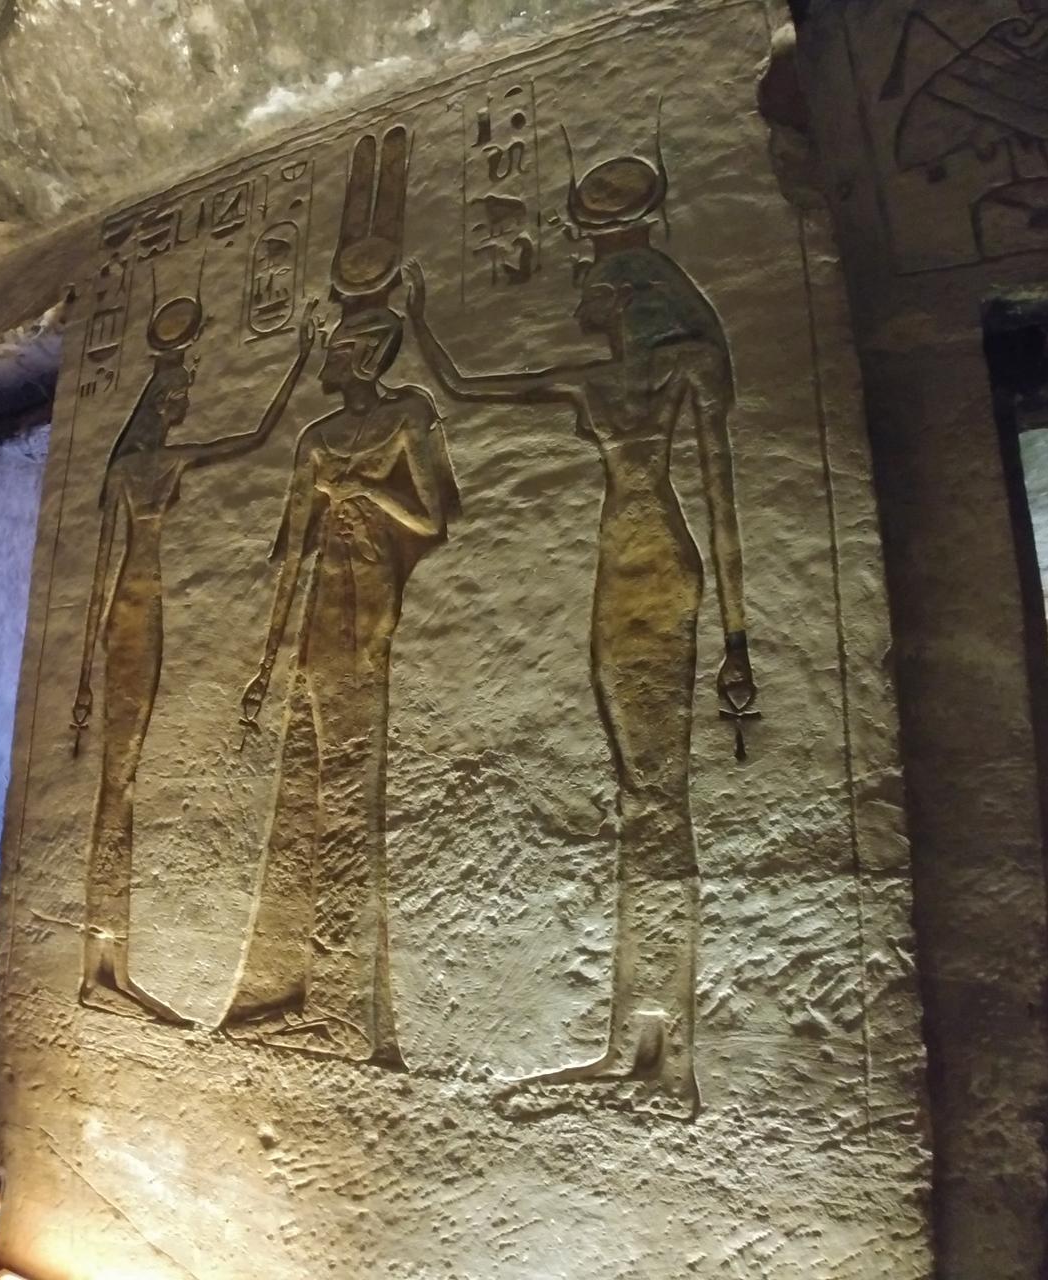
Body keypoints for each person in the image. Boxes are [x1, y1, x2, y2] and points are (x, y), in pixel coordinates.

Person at [401, 160, 755, 1114]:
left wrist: (736, 638)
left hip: (660, 569)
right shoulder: (600, 380)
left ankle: (665, 1060)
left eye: (592, 286)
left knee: (658, 797)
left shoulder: (683, 364)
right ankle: (632, 1045)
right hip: (622, 573)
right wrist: (420, 322)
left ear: (627, 292)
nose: (580, 300)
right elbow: (467, 386)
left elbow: (721, 493)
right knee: (640, 795)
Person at [220, 303, 459, 1066]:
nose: (326, 357)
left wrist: (363, 491)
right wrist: (265, 661)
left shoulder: (408, 415)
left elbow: (433, 519)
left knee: (351, 785)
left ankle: (345, 1008)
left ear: (363, 355)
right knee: (307, 784)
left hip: (372, 599)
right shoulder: (316, 439)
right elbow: (293, 553)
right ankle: (297, 992)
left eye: (336, 348)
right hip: (323, 607)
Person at [72, 300, 317, 1024]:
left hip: (133, 614)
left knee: (120, 783)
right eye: (177, 398)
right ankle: (102, 970)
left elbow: (97, 580)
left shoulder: (131, 465)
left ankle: (107, 968)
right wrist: (299, 364)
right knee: (119, 784)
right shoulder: (151, 464)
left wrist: (84, 669)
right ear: (160, 406)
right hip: (136, 618)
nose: (182, 406)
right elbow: (256, 437)